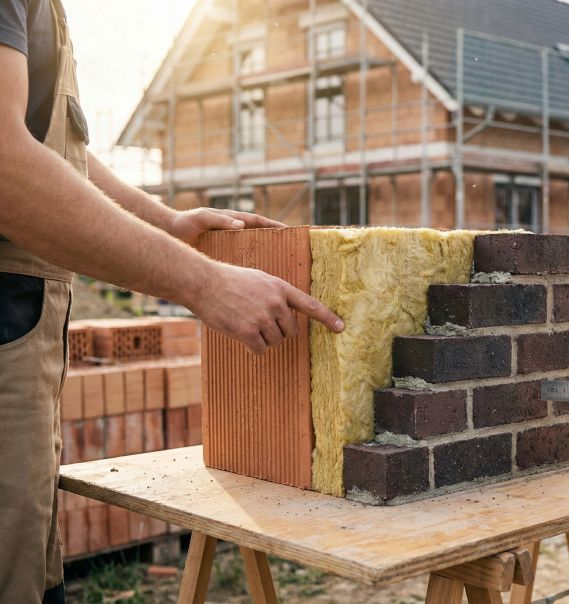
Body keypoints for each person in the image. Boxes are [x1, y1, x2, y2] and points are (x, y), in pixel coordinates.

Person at [0, 1, 344, 602]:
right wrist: (204, 283)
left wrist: (164, 222)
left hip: (22, 316)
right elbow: (5, 167)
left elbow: (52, 146)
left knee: (27, 563)